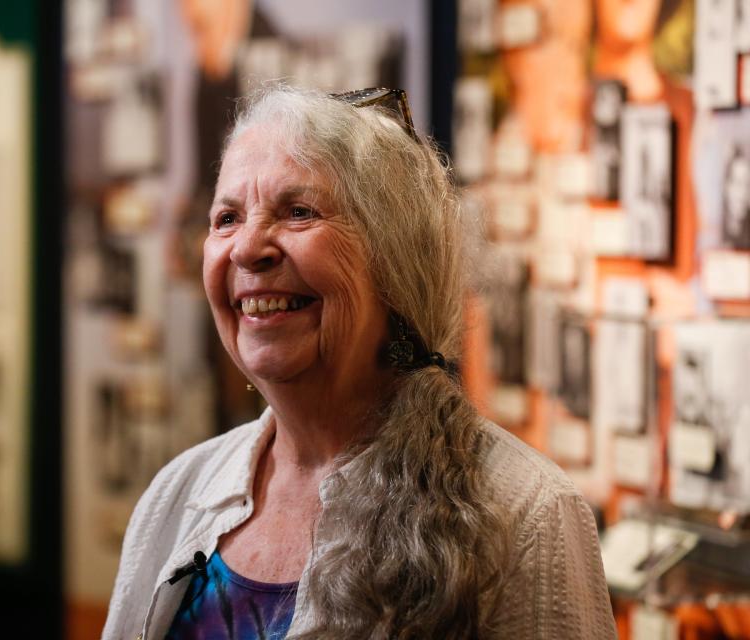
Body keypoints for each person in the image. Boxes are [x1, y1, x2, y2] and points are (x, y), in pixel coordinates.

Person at [102, 86, 616, 639]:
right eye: (226, 218)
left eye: (298, 212)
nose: (248, 248)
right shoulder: (177, 494)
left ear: (398, 261)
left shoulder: (527, 514)